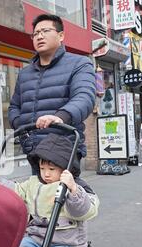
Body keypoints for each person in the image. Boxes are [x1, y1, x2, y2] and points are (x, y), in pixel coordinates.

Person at [8, 14, 95, 172]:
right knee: (37, 194)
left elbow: (85, 97)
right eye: (35, 33)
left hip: (63, 150)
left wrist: (60, 117)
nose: (39, 36)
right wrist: (21, 126)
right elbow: (14, 106)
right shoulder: (25, 73)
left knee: (65, 195)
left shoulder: (80, 63)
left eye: (45, 31)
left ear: (61, 35)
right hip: (33, 150)